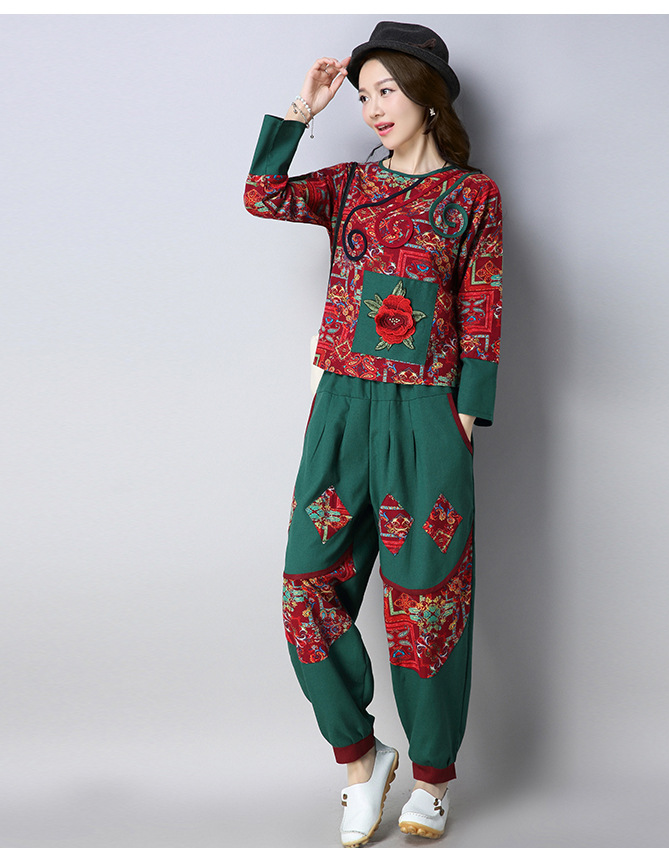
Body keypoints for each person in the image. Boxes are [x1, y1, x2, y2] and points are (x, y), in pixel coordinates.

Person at [244, 21, 502, 847]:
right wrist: (304, 109)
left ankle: (432, 779)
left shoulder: (473, 197)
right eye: (363, 95)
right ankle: (362, 760)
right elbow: (263, 195)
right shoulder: (352, 185)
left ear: (427, 95)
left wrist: (466, 414)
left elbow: (483, 307)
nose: (373, 108)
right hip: (343, 405)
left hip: (427, 410)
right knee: (306, 591)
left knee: (427, 603)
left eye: (387, 89)